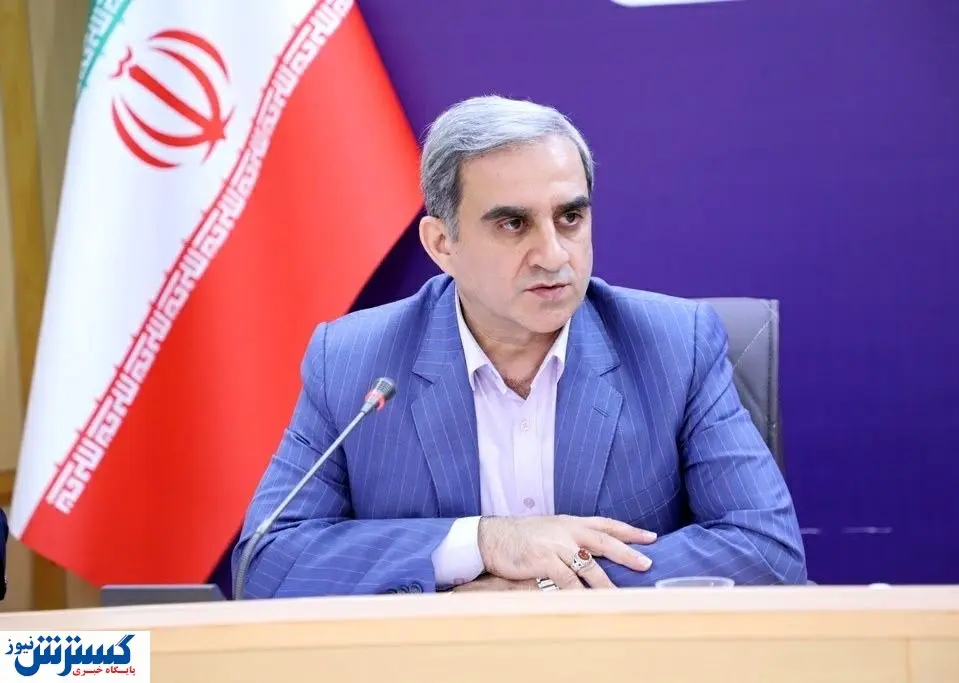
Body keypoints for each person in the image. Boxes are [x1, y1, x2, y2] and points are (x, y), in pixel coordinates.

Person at [232, 95, 807, 596]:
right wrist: (484, 543)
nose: (553, 255)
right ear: (442, 244)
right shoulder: (352, 362)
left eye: (570, 217)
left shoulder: (675, 347)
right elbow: (267, 563)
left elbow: (767, 551)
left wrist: (536, 590)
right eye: (513, 224)